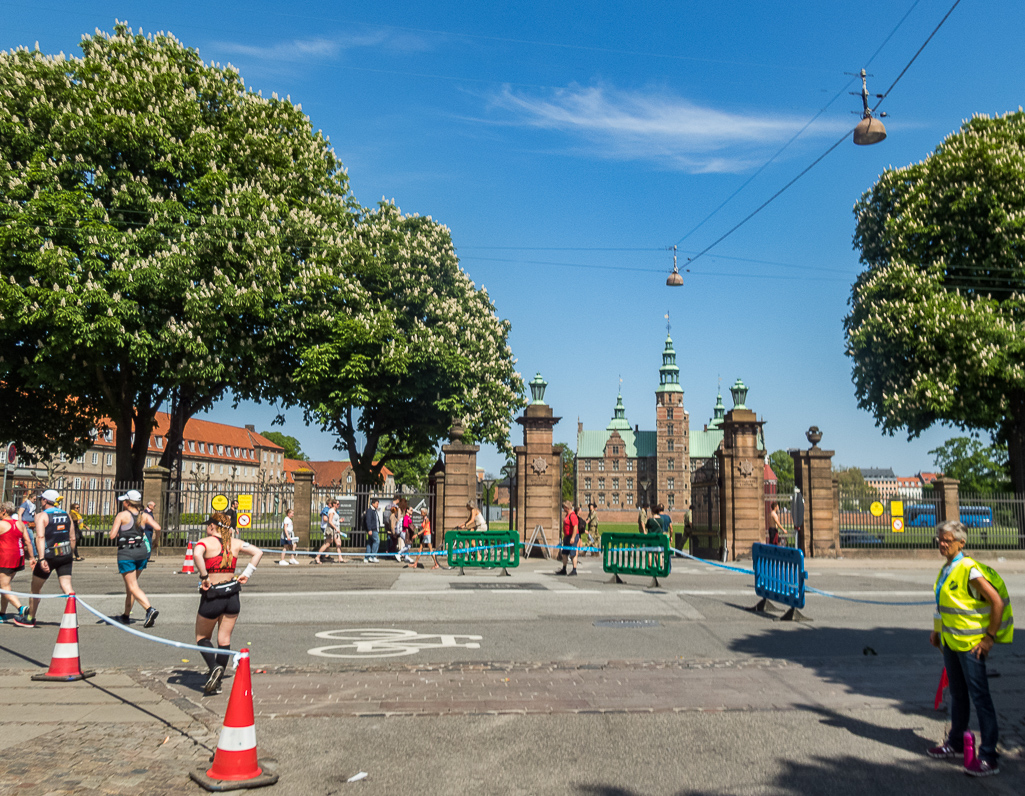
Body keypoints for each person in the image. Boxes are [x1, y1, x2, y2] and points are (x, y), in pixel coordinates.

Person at [926, 520, 1012, 777]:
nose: (942, 544)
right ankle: (955, 744)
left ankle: (988, 757)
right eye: (940, 539)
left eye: (948, 540)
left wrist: (988, 639)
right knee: (958, 694)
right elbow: (946, 603)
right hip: (951, 642)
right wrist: (937, 631)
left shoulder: (968, 568)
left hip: (971, 646)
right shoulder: (946, 568)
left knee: (980, 698)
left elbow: (995, 601)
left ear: (962, 542)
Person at [193, 511, 263, 695]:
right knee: (224, 639)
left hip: (213, 595)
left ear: (212, 526)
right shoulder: (236, 543)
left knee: (202, 638)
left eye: (208, 525)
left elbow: (197, 554)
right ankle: (217, 678)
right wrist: (246, 574)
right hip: (232, 595)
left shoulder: (205, 542)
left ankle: (214, 667)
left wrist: (204, 576)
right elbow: (258, 552)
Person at [108, 489, 161, 626]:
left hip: (127, 552)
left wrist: (119, 530)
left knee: (132, 586)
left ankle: (149, 609)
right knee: (131, 586)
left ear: (127, 503)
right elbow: (158, 527)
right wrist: (156, 541)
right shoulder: (144, 515)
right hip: (142, 551)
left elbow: (112, 535)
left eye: (124, 501)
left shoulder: (122, 515)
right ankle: (126, 615)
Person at [26, 489, 74, 626]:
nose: (40, 501)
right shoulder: (67, 515)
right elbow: (72, 537)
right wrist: (70, 554)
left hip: (49, 555)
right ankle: (72, 619)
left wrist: (41, 559)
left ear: (46, 501)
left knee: (35, 587)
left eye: (42, 499)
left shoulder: (41, 516)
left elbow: (40, 537)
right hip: (65, 554)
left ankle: (30, 618)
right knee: (67, 587)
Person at [0, 501, 36, 626]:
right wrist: (31, 557)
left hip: (5, 557)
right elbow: (28, 541)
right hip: (18, 557)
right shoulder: (20, 524)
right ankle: (2, 614)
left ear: (4, 511)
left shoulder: (2, 524)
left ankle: (21, 608)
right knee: (6, 586)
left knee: (4, 587)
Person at [313, 498, 342, 564]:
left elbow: (334, 521)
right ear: (333, 504)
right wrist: (336, 528)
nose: (338, 505)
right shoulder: (331, 511)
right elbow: (330, 521)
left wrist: (339, 521)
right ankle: (317, 557)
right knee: (327, 543)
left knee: (338, 542)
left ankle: (340, 558)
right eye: (337, 504)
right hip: (331, 529)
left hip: (335, 530)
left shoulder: (334, 511)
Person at [555, 500, 581, 576]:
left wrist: (573, 537)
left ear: (567, 507)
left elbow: (575, 527)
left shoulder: (572, 516)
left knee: (573, 554)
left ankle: (574, 570)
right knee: (564, 554)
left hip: (572, 536)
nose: (563, 509)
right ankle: (564, 569)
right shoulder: (567, 515)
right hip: (567, 537)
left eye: (564, 507)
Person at [363, 498, 381, 563]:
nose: (377, 505)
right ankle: (372, 556)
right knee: (377, 541)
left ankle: (366, 557)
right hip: (373, 529)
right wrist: (369, 529)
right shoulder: (370, 511)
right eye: (377, 504)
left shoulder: (374, 511)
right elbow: (368, 520)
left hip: (374, 529)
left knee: (370, 543)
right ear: (373, 504)